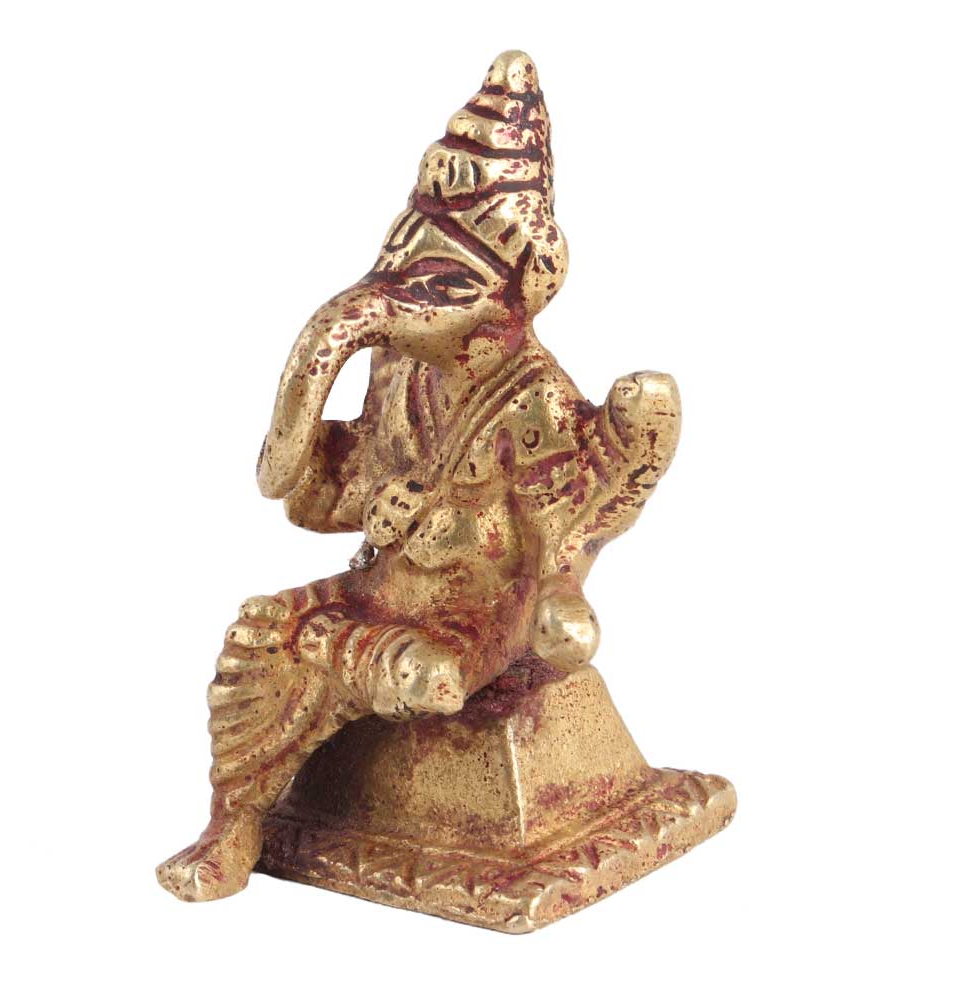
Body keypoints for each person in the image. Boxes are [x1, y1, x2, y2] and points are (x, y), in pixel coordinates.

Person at [158, 50, 681, 902]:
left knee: (425, 677)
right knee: (264, 638)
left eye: (442, 288)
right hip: (386, 594)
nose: (407, 311)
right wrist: (318, 470)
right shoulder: (400, 376)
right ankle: (235, 824)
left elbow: (555, 536)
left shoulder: (533, 400)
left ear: (519, 289)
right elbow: (341, 491)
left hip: (486, 619)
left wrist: (519, 574)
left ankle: (405, 688)